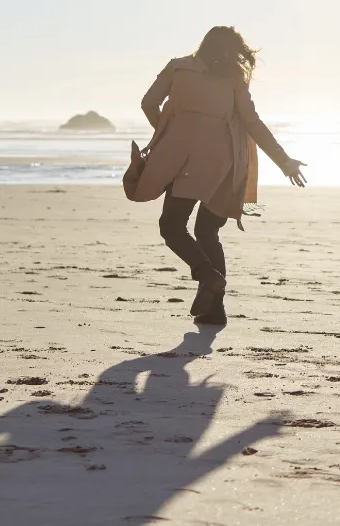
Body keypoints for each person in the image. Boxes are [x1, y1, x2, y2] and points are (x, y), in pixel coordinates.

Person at [130, 26, 306, 325]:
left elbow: (148, 103)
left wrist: (169, 133)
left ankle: (208, 276)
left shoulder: (177, 67)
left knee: (171, 225)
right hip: (226, 163)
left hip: (183, 160)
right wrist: (284, 161)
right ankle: (215, 310)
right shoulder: (234, 78)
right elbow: (252, 122)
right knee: (207, 231)